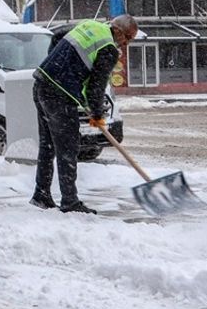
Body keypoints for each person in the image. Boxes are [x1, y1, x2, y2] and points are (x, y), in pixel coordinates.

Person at [31, 14, 139, 214]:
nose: (127, 44)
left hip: (41, 83)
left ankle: (41, 194)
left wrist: (58, 67)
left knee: (48, 145)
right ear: (117, 30)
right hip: (59, 95)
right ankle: (70, 202)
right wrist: (97, 115)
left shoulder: (90, 25)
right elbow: (96, 88)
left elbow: (57, 36)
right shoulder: (108, 49)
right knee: (68, 148)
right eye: (128, 37)